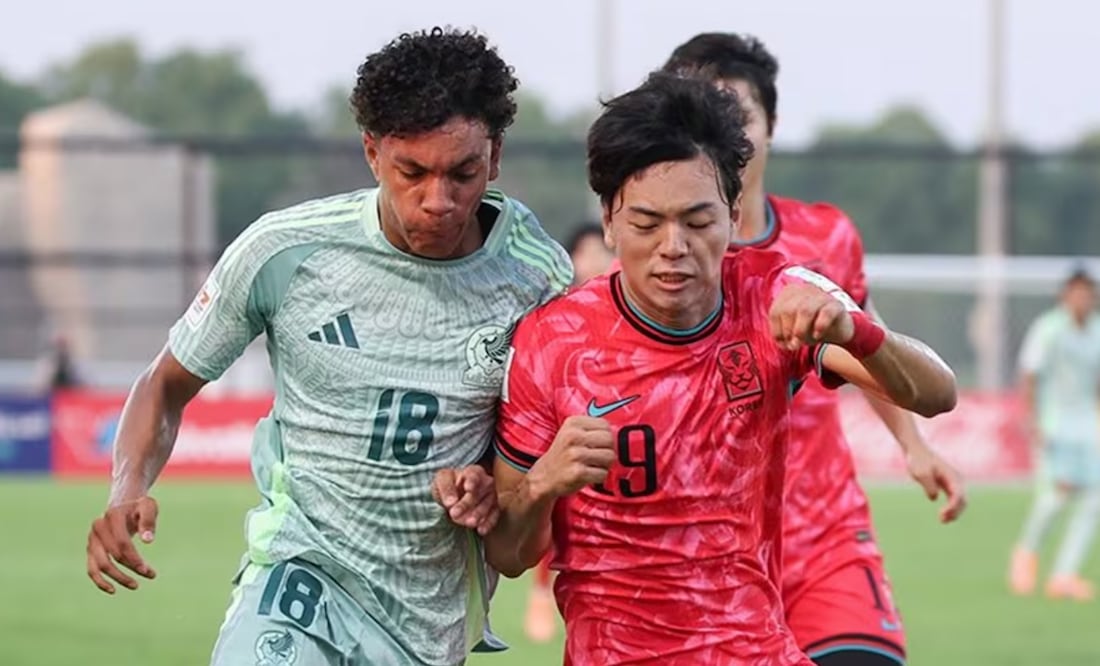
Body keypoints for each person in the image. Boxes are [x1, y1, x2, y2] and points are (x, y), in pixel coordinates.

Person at [83, 27, 573, 666]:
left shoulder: (540, 279)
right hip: (298, 576)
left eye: (463, 172)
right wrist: (126, 489)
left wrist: (487, 486)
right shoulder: (284, 250)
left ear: (497, 154)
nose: (438, 201)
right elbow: (165, 381)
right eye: (411, 172)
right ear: (372, 153)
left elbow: (521, 480)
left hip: (427, 619)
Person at [486, 72, 957, 665]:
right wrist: (544, 483)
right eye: (647, 223)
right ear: (609, 221)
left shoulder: (771, 294)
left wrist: (855, 328)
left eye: (699, 221)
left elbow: (938, 392)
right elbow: (506, 551)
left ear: (734, 215)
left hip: (757, 650)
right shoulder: (552, 340)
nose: (674, 245)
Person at [662, 33, 968, 665]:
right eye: (702, 117)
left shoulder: (825, 236)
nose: (725, 135)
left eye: (738, 116)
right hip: (707, 554)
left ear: (770, 127)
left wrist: (912, 445)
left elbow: (869, 345)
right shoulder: (661, 262)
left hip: (822, 533)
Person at [523, 220, 615, 642]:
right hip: (569, 425)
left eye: (601, 252)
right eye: (585, 252)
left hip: (622, 430)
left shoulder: (639, 312)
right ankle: (541, 592)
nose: (594, 261)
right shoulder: (554, 323)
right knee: (556, 500)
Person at [1009, 266, 1100, 602]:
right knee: (1055, 498)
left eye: (1089, 293)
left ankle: (1064, 574)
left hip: (1088, 427)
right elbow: (1030, 373)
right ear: (1065, 295)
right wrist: (1031, 419)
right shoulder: (1048, 328)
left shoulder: (1096, 332)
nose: (1084, 299)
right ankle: (1025, 553)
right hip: (1055, 424)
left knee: (1094, 499)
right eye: (1077, 292)